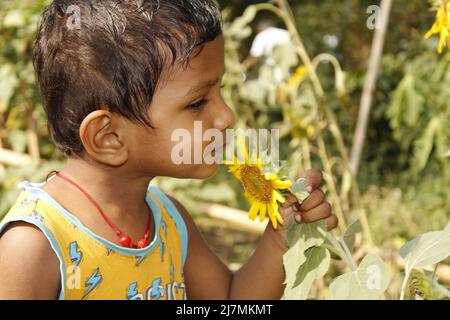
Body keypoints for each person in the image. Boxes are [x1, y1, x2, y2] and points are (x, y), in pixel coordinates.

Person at [0, 0, 337, 300]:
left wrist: (279, 239)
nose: (226, 116)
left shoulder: (169, 221)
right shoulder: (32, 248)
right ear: (108, 137)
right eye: (197, 103)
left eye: (220, 92)